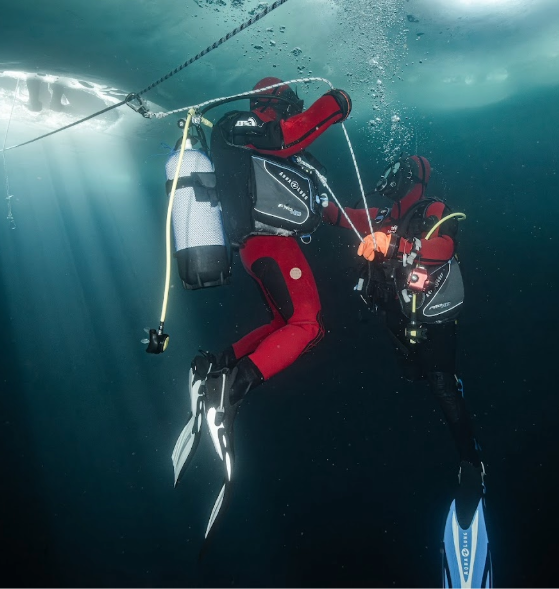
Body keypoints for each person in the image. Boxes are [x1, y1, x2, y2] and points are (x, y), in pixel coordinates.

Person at [170, 77, 351, 540]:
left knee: (284, 324)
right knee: (308, 326)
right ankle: (227, 393)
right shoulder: (238, 125)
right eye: (290, 105)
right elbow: (287, 134)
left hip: (263, 248)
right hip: (269, 245)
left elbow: (335, 211)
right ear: (276, 102)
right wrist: (336, 104)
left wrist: (383, 230)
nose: (293, 113)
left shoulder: (283, 154)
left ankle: (215, 368)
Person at [324, 154, 493, 586]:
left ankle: (471, 463)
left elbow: (446, 246)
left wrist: (394, 244)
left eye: (395, 174)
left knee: (440, 384)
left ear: (410, 178)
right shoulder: (381, 214)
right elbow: (339, 215)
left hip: (433, 320)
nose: (387, 180)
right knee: (412, 375)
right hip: (400, 319)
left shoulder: (433, 209)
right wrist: (308, 203)